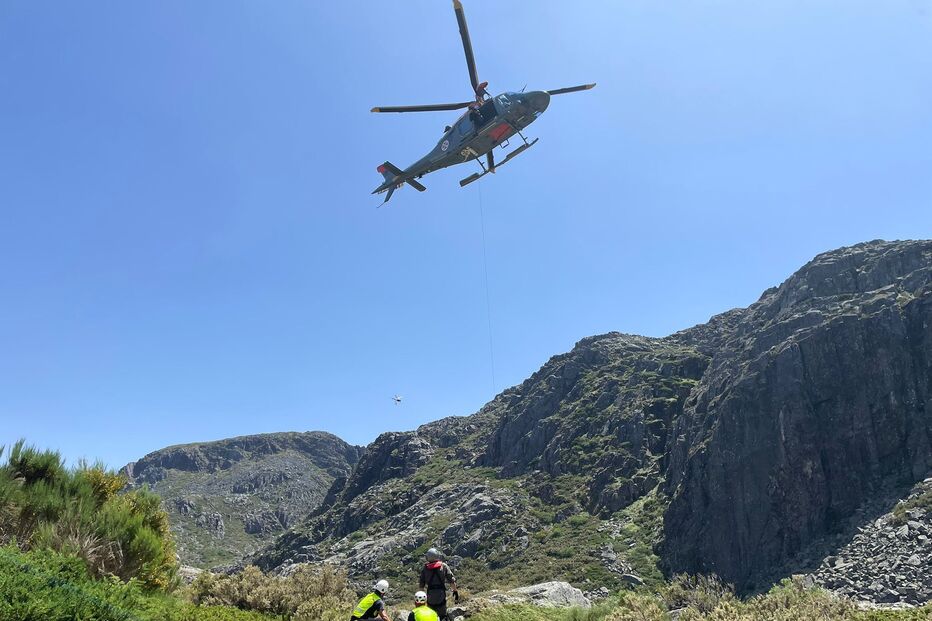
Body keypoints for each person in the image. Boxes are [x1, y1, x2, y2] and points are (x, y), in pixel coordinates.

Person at [418, 548, 458, 621]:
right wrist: (455, 591)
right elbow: (451, 581)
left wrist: (421, 599)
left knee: (431, 616)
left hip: (430, 596)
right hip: (441, 595)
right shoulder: (443, 566)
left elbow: (421, 586)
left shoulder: (425, 568)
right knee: (442, 615)